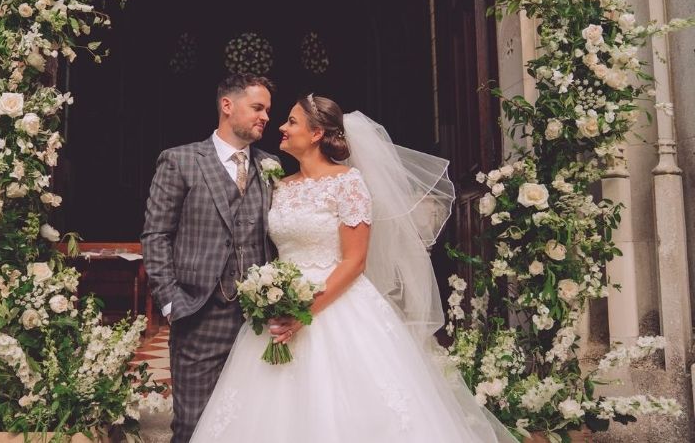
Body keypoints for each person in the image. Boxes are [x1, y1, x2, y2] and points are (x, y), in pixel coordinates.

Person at [190, 94, 517, 442]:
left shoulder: (348, 183)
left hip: (335, 303)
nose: (281, 128)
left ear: (316, 133)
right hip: (280, 306)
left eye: (292, 121)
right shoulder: (279, 187)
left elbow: (354, 261)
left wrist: (303, 313)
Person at [141, 73, 280, 443]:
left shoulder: (270, 166)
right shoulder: (180, 161)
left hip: (257, 319)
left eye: (267, 109)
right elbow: (156, 235)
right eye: (258, 107)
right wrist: (171, 302)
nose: (266, 116)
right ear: (227, 105)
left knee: (252, 423)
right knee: (193, 425)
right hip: (199, 311)